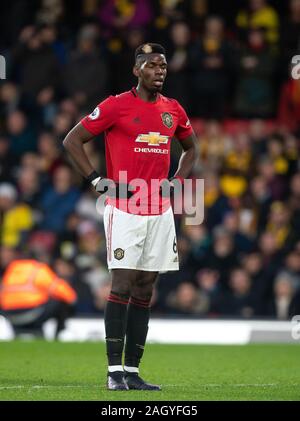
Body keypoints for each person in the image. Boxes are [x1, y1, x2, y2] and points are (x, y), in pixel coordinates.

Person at [63, 43, 197, 391]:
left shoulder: (174, 110)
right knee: (121, 285)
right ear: (137, 70)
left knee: (145, 288)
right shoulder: (115, 106)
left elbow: (192, 148)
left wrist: (177, 182)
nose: (159, 71)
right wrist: (97, 181)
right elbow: (72, 140)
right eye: (152, 65)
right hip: (124, 209)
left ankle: (133, 372)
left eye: (163, 66)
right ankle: (113, 372)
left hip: (160, 211)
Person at [0, 259, 77, 338]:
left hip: (10, 316)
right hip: (32, 313)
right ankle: (58, 336)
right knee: (60, 303)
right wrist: (73, 300)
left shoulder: (13, 268)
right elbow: (60, 290)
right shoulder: (38, 269)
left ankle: (27, 330)